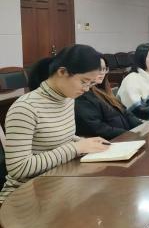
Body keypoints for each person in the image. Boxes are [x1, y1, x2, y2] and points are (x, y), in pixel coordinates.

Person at [0, 45, 110, 203]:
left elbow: (61, 138)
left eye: (91, 84)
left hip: (58, 184)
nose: (86, 89)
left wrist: (85, 142)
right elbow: (18, 168)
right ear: (62, 72)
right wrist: (76, 148)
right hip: (26, 195)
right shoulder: (25, 108)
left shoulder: (67, 99)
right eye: (84, 82)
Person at [75, 56, 142, 140]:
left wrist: (141, 128)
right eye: (98, 68)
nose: (102, 72)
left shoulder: (105, 90)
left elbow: (126, 112)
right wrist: (129, 134)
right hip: (113, 142)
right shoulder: (83, 96)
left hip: (126, 138)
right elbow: (97, 129)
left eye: (104, 69)